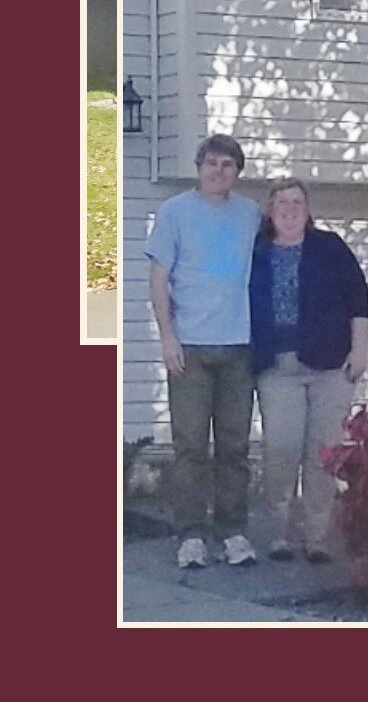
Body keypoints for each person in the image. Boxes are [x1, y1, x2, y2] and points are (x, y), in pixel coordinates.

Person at [146, 134, 264, 569]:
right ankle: (191, 535)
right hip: (190, 349)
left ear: (237, 172)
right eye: (212, 163)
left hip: (239, 348)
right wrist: (167, 336)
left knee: (234, 448)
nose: (219, 171)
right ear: (199, 167)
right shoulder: (175, 211)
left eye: (228, 165)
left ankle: (233, 532)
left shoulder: (250, 214)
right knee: (190, 447)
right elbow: (159, 277)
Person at [250, 179, 368, 563]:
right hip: (277, 367)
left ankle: (317, 535)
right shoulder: (255, 251)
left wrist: (360, 350)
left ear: (308, 209)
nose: (289, 208)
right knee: (281, 448)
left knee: (323, 453)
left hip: (330, 366)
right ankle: (279, 532)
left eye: (297, 201)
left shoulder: (330, 247)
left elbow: (359, 299)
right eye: (281, 202)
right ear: (270, 211)